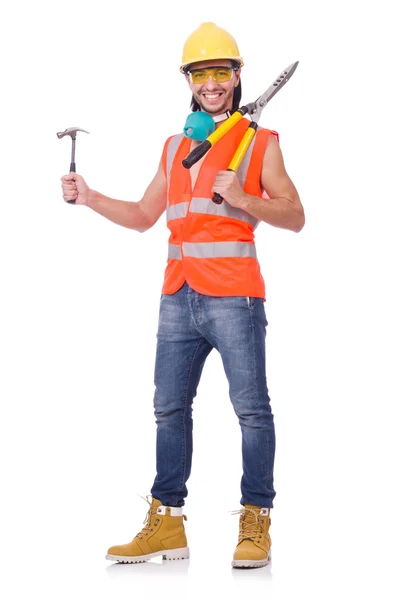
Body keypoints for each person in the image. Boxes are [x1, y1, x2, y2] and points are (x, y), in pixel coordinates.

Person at [61, 22, 305, 569]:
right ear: (189, 81)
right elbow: (146, 216)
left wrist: (245, 197)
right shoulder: (175, 147)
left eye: (221, 72)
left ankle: (256, 522)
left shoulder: (259, 143)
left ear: (237, 77)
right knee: (169, 410)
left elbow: (296, 216)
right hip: (178, 299)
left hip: (236, 300)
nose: (211, 84)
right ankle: (166, 523)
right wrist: (91, 197)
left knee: (252, 412)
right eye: (201, 74)